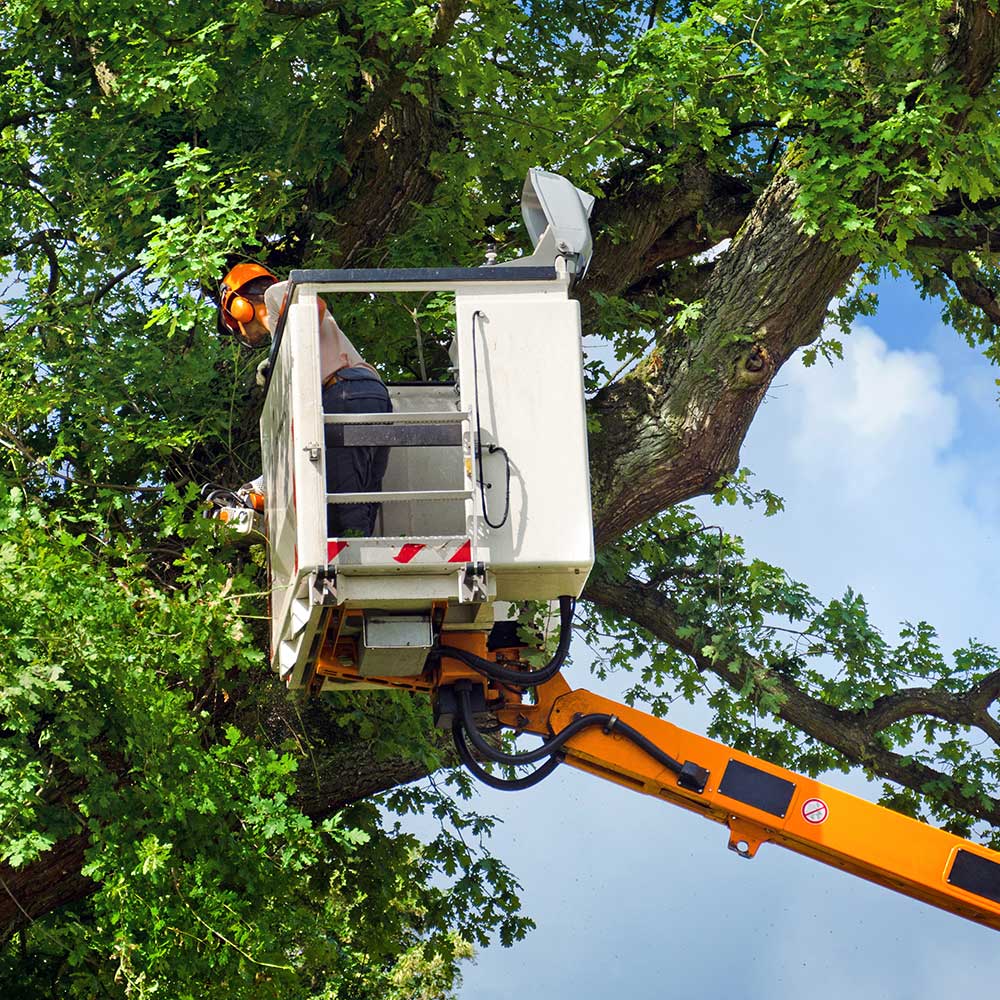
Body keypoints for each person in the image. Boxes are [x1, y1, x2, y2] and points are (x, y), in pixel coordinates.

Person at [219, 263, 392, 537]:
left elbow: (314, 308)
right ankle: (363, 552)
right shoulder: (284, 331)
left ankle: (351, 559)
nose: (240, 332)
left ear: (239, 306)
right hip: (370, 393)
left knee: (343, 503)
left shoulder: (275, 294)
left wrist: (282, 359)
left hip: (344, 391)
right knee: (362, 496)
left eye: (235, 324)